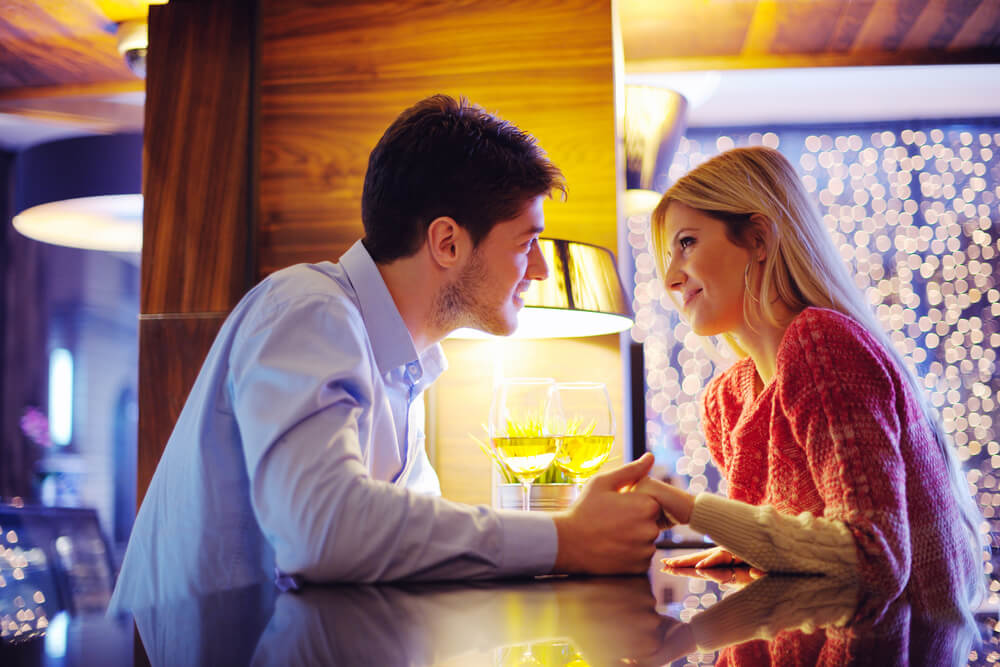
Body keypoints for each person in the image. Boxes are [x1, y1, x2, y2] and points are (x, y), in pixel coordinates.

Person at [110, 95, 667, 612]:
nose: (541, 269)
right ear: (447, 242)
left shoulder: (404, 366)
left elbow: (405, 542)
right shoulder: (308, 309)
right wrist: (566, 539)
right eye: (526, 243)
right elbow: (322, 529)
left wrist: (572, 534)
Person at [634, 146, 986, 624]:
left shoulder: (823, 343)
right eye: (667, 255)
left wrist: (690, 508)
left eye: (687, 243)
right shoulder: (728, 401)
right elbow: (815, 549)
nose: (671, 277)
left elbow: (873, 559)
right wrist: (751, 550)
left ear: (758, 238)